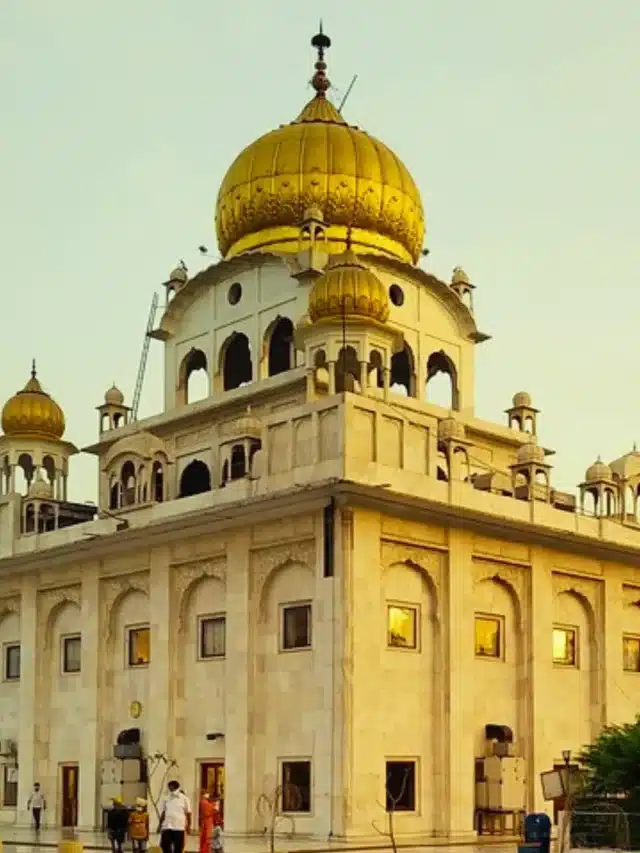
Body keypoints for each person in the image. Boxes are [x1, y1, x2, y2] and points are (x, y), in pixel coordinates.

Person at [158, 780, 192, 853]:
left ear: (177, 787)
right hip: (167, 825)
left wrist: (189, 826)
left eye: (172, 787)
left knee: (178, 847)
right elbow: (163, 812)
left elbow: (189, 813)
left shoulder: (184, 798)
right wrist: (159, 825)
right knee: (164, 845)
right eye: (169, 787)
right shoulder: (166, 798)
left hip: (179, 826)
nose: (170, 788)